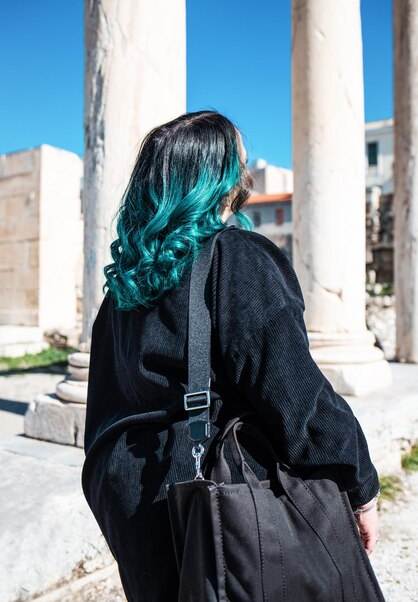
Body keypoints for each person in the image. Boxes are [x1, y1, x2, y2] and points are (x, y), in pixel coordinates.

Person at [81, 110, 380, 602]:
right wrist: (360, 486)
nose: (249, 169)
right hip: (219, 498)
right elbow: (296, 395)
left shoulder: (123, 291)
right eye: (240, 157)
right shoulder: (236, 256)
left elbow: (102, 406)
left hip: (134, 501)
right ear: (217, 176)